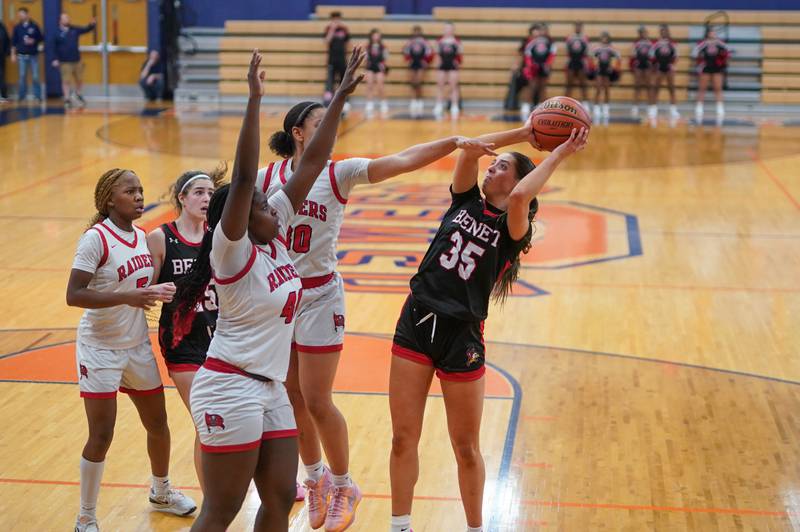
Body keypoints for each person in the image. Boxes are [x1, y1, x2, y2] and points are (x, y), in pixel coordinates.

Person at [258, 87, 493, 532]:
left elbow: (401, 159)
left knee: (316, 398)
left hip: (321, 295)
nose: (331, 129)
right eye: (320, 123)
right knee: (290, 396)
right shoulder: (266, 177)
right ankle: (315, 481)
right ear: (299, 134)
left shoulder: (338, 172)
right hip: (279, 294)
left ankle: (344, 484)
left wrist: (452, 143)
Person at [169, 47, 363, 532]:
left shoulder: (275, 234)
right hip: (230, 385)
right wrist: (255, 100)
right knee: (223, 508)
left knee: (279, 501)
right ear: (236, 218)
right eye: (261, 205)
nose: (275, 208)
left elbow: (314, 161)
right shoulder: (231, 250)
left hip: (270, 388)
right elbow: (242, 178)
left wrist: (338, 96)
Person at [388, 120, 589, 532]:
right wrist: (524, 131)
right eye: (492, 165)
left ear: (516, 180)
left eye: (500, 167)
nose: (490, 169)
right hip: (416, 318)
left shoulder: (514, 227)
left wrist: (559, 152)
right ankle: (400, 526)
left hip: (461, 335)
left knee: (466, 448)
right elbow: (468, 151)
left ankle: (475, 528)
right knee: (402, 437)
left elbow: (519, 196)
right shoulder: (463, 200)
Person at [66, 169, 198, 532]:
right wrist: (130, 296)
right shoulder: (96, 239)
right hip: (100, 348)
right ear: (110, 199)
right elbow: (74, 294)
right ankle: (86, 517)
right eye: (130, 191)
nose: (139, 196)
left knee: (158, 423)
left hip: (136, 345)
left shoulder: (142, 236)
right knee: (102, 434)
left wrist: (158, 292)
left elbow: (141, 287)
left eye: (141, 190)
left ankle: (161, 491)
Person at [146, 165, 225, 493]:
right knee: (207, 421)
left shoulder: (219, 236)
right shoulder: (160, 237)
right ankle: (212, 503)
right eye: (198, 192)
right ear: (182, 198)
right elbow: (144, 292)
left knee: (223, 419)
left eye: (210, 192)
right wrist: (154, 291)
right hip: (181, 340)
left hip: (220, 338)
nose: (206, 198)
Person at [53, 13, 96, 109]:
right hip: (64, 61)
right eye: (64, 18)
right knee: (66, 81)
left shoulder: (74, 29)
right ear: (60, 21)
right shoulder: (56, 33)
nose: (67, 20)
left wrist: (91, 25)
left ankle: (78, 94)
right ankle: (67, 99)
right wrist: (55, 59)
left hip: (76, 59)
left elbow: (86, 29)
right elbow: (53, 47)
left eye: (68, 18)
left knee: (80, 79)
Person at [693, 26, 729, 124]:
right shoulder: (702, 43)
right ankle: (699, 108)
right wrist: (700, 62)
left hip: (717, 68)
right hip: (705, 68)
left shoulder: (720, 43)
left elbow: (727, 52)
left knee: (718, 88)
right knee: (702, 88)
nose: (713, 34)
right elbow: (695, 54)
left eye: (714, 32)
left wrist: (722, 60)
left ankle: (720, 108)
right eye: (711, 32)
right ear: (707, 33)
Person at [10, 7, 44, 102]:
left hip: (33, 55)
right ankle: (21, 96)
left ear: (27, 14)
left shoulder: (34, 26)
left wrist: (33, 40)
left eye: (22, 14)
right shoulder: (17, 27)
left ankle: (37, 96)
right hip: (21, 56)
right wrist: (13, 54)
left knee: (35, 76)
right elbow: (13, 42)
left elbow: (41, 38)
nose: (20, 16)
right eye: (19, 14)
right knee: (22, 76)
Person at [649, 24, 680, 125]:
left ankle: (673, 109)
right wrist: (654, 66)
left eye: (665, 31)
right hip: (659, 68)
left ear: (668, 32)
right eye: (662, 31)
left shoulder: (672, 44)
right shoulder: (656, 44)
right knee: (655, 88)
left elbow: (676, 56)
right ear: (660, 32)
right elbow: (651, 56)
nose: (664, 33)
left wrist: (673, 65)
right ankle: (653, 109)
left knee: (671, 88)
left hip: (669, 67)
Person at [523, 24, 557, 114]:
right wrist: (530, 65)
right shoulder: (532, 41)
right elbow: (527, 53)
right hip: (534, 65)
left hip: (544, 66)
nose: (542, 32)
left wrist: (548, 64)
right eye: (540, 30)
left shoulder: (550, 42)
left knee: (543, 86)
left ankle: (542, 105)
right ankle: (527, 105)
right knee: (532, 86)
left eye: (544, 30)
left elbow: (552, 54)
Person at [433, 22, 462, 119]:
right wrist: (437, 65)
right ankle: (439, 105)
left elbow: (459, 56)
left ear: (453, 30)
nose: (448, 30)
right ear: (444, 29)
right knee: (440, 86)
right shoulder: (439, 41)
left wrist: (457, 64)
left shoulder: (456, 42)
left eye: (450, 28)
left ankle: (455, 106)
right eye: (446, 28)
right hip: (442, 65)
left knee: (453, 86)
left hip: (452, 66)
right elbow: (437, 54)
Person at [323, 11, 351, 113]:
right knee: (330, 83)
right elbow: (326, 41)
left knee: (343, 82)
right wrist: (332, 29)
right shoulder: (328, 29)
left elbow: (348, 44)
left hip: (342, 60)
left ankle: (345, 102)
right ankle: (328, 103)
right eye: (334, 19)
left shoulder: (344, 29)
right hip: (332, 60)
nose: (336, 21)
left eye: (338, 19)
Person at [403, 25, 432, 117]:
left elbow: (429, 52)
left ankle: (419, 100)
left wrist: (426, 61)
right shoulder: (410, 42)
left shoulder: (424, 42)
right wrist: (408, 60)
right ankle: (413, 100)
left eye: (418, 32)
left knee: (419, 82)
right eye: (415, 32)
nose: (416, 34)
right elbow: (405, 51)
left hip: (420, 63)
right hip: (413, 63)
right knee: (413, 83)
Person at [592, 32, 621, 124]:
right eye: (602, 38)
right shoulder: (597, 48)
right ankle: (596, 108)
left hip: (608, 71)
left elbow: (618, 57)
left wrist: (614, 67)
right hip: (599, 70)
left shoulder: (611, 48)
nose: (604, 39)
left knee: (607, 89)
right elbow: (591, 57)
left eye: (606, 38)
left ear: (608, 38)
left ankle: (605, 108)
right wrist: (594, 66)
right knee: (598, 89)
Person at [564, 22, 591, 112]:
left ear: (582, 27)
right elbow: (567, 50)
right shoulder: (570, 37)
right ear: (574, 27)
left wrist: (586, 62)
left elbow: (587, 50)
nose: (578, 28)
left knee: (583, 83)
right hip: (572, 61)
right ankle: (565, 103)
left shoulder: (585, 38)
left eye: (580, 26)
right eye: (577, 26)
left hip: (581, 61)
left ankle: (585, 103)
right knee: (569, 83)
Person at [364, 29, 389, 118]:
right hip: (370, 67)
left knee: (380, 86)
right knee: (369, 85)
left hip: (379, 67)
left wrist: (384, 67)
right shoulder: (368, 46)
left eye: (377, 35)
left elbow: (385, 58)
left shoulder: (383, 47)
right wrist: (366, 68)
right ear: (371, 36)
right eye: (374, 35)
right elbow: (365, 58)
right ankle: (369, 103)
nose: (376, 37)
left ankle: (383, 103)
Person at [630, 26, 653, 119]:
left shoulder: (650, 43)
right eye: (641, 32)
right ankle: (635, 106)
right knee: (637, 86)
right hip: (639, 65)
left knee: (649, 85)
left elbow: (653, 55)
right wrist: (633, 65)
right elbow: (633, 55)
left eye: (644, 32)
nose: (643, 34)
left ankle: (651, 106)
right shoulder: (636, 43)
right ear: (639, 34)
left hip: (647, 65)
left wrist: (651, 64)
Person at [0, 20, 10, 101]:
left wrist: (7, 52)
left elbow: (7, 40)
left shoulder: (2, 27)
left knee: (1, 75)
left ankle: (3, 95)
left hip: (1, 56)